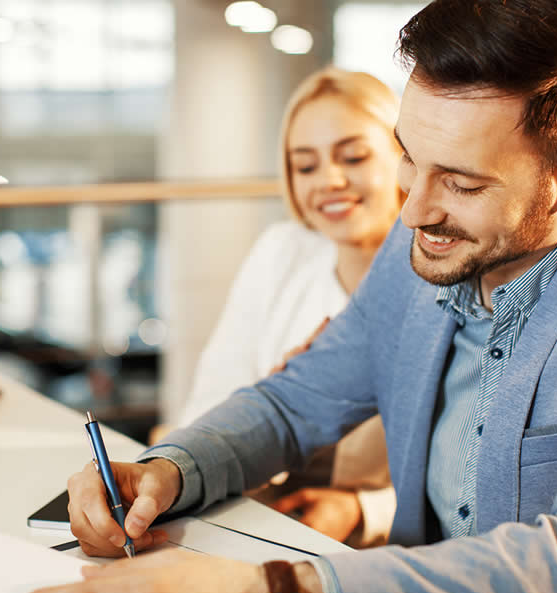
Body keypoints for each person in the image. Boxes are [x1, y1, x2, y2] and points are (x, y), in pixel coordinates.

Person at [33, 1, 557, 593]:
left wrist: (272, 588)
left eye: (463, 183)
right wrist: (170, 470)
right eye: (409, 156)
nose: (412, 211)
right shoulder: (421, 257)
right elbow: (294, 404)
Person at [151, 66, 403, 546]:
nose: (329, 180)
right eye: (305, 166)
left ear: (403, 156)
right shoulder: (282, 251)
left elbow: (467, 469)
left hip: (390, 549)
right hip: (260, 521)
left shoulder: (445, 271)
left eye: (352, 157)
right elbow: (211, 403)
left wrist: (362, 510)